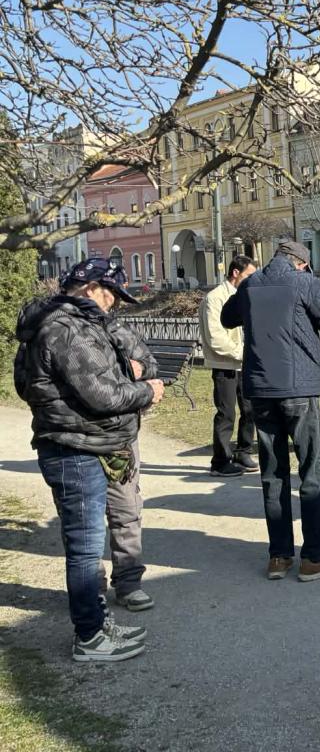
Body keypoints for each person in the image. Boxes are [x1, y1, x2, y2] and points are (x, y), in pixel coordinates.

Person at [14, 257, 164, 661]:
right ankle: (89, 637)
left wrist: (124, 374)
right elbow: (103, 395)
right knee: (85, 547)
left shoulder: (56, 324)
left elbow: (28, 384)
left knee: (88, 540)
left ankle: (96, 620)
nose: (114, 303)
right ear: (92, 287)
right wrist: (147, 390)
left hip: (83, 443)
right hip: (76, 449)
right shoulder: (65, 328)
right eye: (111, 294)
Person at [220, 239, 320, 583]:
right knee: (311, 471)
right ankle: (314, 557)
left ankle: (279, 557)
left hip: (261, 389)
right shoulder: (304, 282)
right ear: (301, 263)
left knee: (273, 474)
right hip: (299, 388)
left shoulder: (250, 284)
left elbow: (227, 318)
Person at [101, 314, 158, 614]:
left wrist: (133, 370)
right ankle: (89, 592)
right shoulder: (53, 328)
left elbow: (149, 364)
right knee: (84, 522)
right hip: (72, 439)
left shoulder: (114, 327)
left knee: (126, 508)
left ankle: (128, 582)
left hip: (120, 436)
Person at [199, 254, 257, 477]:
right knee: (226, 413)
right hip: (225, 363)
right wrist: (242, 353)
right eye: (249, 275)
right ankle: (220, 461)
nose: (253, 280)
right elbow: (215, 337)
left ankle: (243, 451)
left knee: (250, 409)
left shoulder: (247, 294)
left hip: (245, 362)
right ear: (235, 273)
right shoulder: (215, 298)